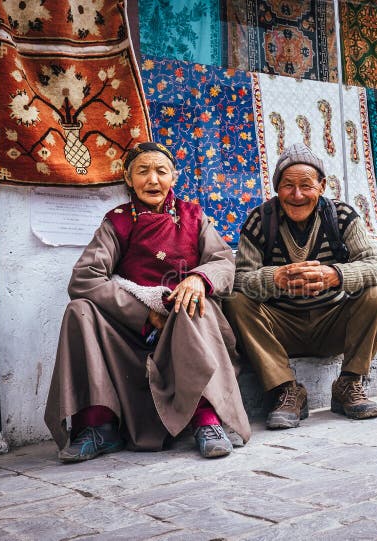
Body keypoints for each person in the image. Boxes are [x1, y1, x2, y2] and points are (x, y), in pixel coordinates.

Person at [44, 142, 250, 462]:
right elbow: (84, 279)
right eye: (142, 171)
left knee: (192, 302)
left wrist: (197, 279)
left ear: (174, 178)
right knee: (79, 311)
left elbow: (223, 262)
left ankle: (206, 420)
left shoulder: (193, 216)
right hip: (134, 332)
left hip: (188, 324)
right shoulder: (117, 222)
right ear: (128, 178)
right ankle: (98, 426)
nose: (152, 180)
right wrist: (143, 313)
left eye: (161, 171)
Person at [223, 143, 377, 429]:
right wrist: (274, 279)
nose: (297, 194)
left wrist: (335, 274)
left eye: (306, 185)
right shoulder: (259, 221)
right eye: (288, 185)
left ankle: (349, 383)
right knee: (235, 301)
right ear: (277, 188)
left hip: (332, 326)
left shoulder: (342, 217)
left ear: (322, 186)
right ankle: (286, 390)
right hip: (281, 329)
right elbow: (240, 278)